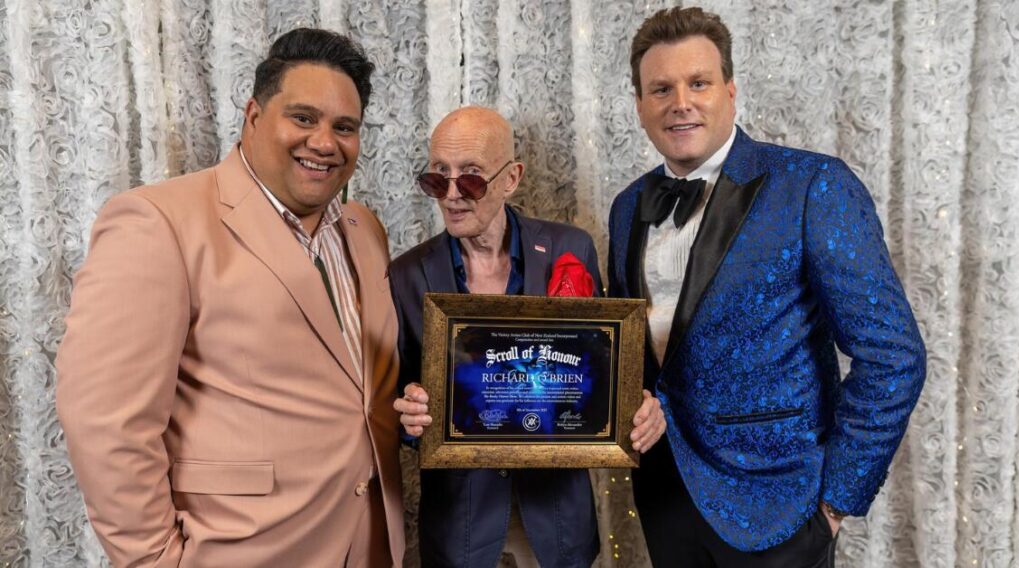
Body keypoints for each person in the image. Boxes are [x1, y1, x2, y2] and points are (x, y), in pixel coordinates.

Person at [56, 28, 403, 567]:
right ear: (255, 115)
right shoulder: (158, 222)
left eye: (345, 127)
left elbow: (355, 386)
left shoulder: (364, 229)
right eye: (304, 118)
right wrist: (155, 560)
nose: (325, 142)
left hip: (371, 544)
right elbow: (108, 424)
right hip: (241, 550)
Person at [607, 7, 927, 568]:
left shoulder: (813, 185)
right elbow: (631, 353)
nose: (680, 101)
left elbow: (893, 355)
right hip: (665, 498)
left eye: (698, 83)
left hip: (782, 508)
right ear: (639, 105)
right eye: (661, 88)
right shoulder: (628, 206)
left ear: (729, 90)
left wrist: (834, 503)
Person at [390, 106, 666, 567]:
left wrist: (636, 406)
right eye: (439, 178)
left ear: (510, 178)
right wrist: (410, 417)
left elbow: (599, 371)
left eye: (471, 178)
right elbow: (394, 402)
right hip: (462, 526)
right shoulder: (406, 274)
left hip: (556, 519)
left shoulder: (569, 248)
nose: (452, 195)